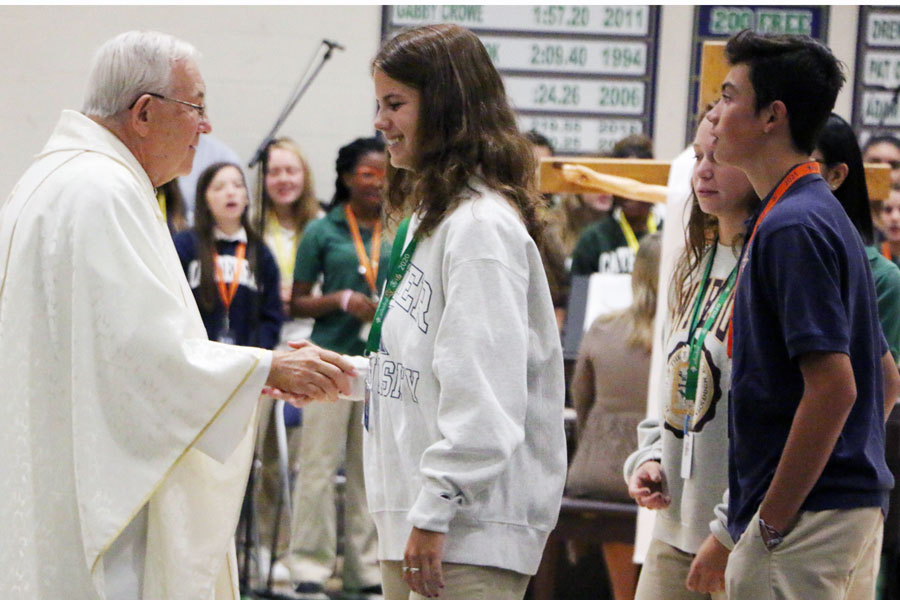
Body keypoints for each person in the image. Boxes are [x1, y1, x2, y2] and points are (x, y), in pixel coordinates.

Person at [0, 30, 354, 600]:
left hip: (55, 470)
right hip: (99, 493)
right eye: (197, 108)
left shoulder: (52, 178)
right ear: (143, 113)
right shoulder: (102, 190)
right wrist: (267, 370)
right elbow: (140, 358)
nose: (206, 128)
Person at [369, 23, 567, 600]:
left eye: (395, 104)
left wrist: (435, 510)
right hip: (417, 517)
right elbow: (431, 367)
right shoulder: (431, 220)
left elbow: (485, 396)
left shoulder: (481, 228)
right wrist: (345, 376)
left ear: (447, 108)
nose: (380, 122)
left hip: (466, 529)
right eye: (379, 104)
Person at [705, 30, 900, 599]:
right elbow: (884, 377)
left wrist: (769, 523)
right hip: (845, 510)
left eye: (728, 95)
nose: (716, 114)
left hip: (806, 519)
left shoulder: (792, 225)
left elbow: (835, 389)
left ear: (773, 115)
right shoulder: (822, 214)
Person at [624, 114, 759, 600]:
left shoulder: (772, 261)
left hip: (739, 535)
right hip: (675, 527)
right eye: (698, 156)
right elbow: (677, 382)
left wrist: (727, 530)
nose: (702, 170)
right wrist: (652, 455)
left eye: (718, 157)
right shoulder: (692, 263)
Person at [284, 137, 389, 598]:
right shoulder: (322, 230)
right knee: (318, 467)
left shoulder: (400, 227)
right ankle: (308, 566)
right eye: (368, 174)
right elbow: (297, 298)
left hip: (380, 365)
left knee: (370, 470)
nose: (378, 182)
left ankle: (364, 570)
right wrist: (340, 300)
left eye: (384, 173)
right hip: (330, 358)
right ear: (348, 178)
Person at [569, 233, 661, 600]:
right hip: (659, 470)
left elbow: (580, 401)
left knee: (617, 493)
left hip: (601, 469)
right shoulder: (687, 333)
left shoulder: (603, 326)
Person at [255, 136, 323, 572]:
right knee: (265, 455)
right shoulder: (250, 226)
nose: (283, 180)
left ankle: (299, 552)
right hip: (264, 342)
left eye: (290, 171)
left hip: (309, 340)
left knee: (302, 455)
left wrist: (301, 296)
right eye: (274, 172)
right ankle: (266, 545)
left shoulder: (321, 223)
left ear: (304, 176)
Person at [814, 113, 900, 364]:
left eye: (893, 165)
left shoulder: (882, 275)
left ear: (839, 174)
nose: (886, 174)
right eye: (876, 162)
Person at [174, 162, 282, 348]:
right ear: (204, 199)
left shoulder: (261, 253)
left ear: (247, 198)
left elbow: (271, 316)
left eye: (238, 185)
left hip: (249, 360)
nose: (231, 192)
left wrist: (256, 355)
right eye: (219, 187)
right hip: (198, 354)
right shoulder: (185, 245)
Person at [570, 134, 661, 276]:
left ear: (652, 182)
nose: (629, 191)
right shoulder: (593, 239)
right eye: (622, 180)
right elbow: (579, 295)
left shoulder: (670, 233)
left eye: (636, 180)